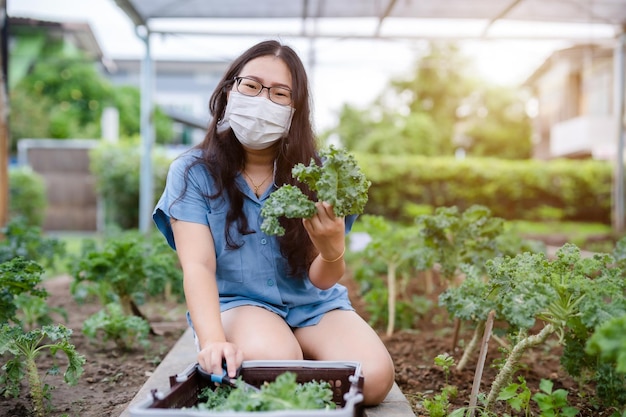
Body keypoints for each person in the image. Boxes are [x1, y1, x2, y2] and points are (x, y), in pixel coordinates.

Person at [153, 40, 395, 406]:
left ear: (296, 109)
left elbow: (322, 278)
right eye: (251, 86)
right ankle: (286, 354)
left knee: (373, 380)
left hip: (314, 305)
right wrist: (213, 338)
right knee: (276, 364)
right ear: (229, 90)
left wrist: (332, 252)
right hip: (240, 303)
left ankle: (295, 356)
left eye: (281, 93)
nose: (263, 100)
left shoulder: (322, 175)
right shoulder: (192, 172)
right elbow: (198, 266)